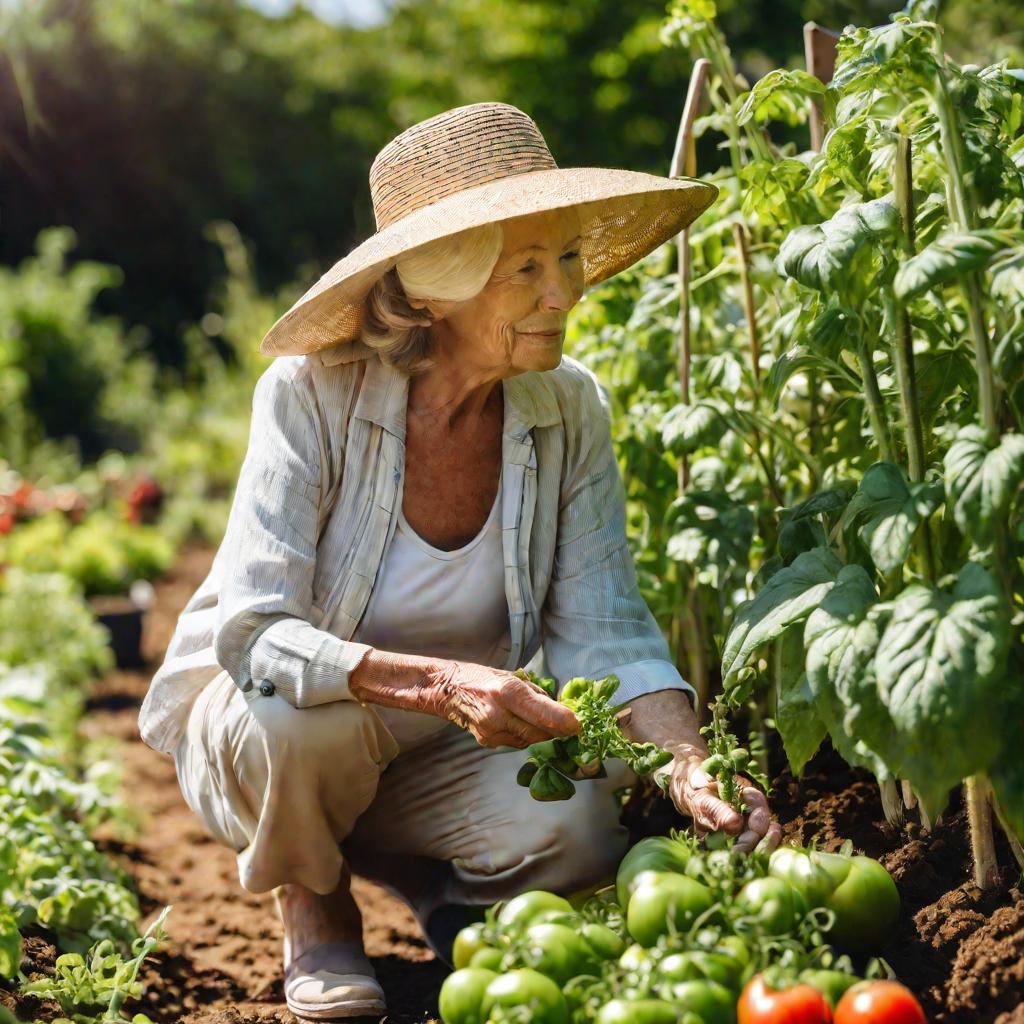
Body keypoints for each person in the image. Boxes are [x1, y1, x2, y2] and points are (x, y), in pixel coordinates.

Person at [138, 101, 782, 1021]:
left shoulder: (569, 410)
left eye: (566, 258)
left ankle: (427, 884)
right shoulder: (309, 396)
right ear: (435, 285)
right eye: (526, 268)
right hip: (274, 735)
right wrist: (448, 684)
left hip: (438, 755)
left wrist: (688, 762)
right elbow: (255, 632)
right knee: (302, 723)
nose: (565, 292)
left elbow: (607, 627)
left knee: (578, 828)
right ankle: (314, 905)